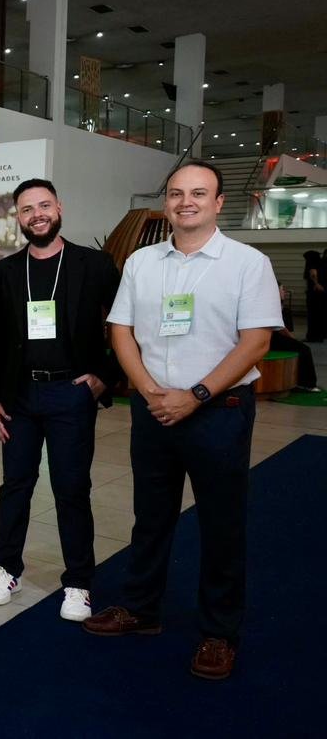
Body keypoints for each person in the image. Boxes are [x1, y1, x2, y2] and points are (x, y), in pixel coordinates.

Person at [85, 161, 282, 681]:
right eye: (176, 193)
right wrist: (149, 390)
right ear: (166, 202)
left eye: (198, 193)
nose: (185, 202)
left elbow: (256, 342)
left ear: (218, 203)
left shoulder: (247, 263)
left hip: (219, 411)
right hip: (154, 410)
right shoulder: (142, 262)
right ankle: (141, 608)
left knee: (221, 524)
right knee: (150, 517)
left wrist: (195, 395)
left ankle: (219, 632)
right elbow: (121, 330)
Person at [0, 179, 121, 621]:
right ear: (17, 217)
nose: (36, 214)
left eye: (43, 205)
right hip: (19, 396)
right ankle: (7, 569)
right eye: (27, 209)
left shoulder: (94, 264)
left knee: (71, 488)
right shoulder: (5, 271)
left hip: (71, 393)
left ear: (59, 207)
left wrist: (105, 377)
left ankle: (78, 582)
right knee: (15, 486)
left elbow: (125, 323)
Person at [272, 283, 319, 392]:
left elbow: (288, 330)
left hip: (278, 336)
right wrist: (293, 340)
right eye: (282, 290)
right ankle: (307, 384)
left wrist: (293, 339)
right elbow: (280, 328)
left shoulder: (283, 307)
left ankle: (300, 381)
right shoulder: (272, 306)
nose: (284, 292)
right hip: (271, 338)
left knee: (300, 348)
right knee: (305, 350)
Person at [301, 250, 325, 342]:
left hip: (313, 294)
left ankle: (312, 336)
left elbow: (313, 274)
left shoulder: (311, 264)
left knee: (313, 315)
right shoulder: (321, 264)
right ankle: (320, 335)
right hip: (321, 295)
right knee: (320, 315)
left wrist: (316, 284)